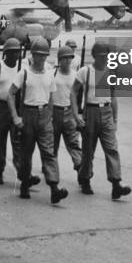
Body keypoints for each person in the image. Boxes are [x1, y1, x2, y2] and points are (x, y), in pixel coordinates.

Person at [8, 38, 68, 205]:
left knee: (49, 152)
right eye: (38, 55)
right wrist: (15, 117)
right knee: (26, 154)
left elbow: (51, 96)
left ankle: (54, 188)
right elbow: (10, 94)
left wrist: (49, 116)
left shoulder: (49, 74)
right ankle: (25, 184)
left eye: (44, 56)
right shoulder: (24, 73)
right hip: (27, 115)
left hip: (44, 117)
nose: (41, 59)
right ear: (32, 55)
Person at [71, 41, 131, 200]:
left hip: (106, 113)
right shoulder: (85, 71)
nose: (106, 59)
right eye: (103, 56)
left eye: (107, 56)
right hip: (90, 112)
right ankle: (85, 179)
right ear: (95, 56)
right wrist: (76, 114)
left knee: (112, 148)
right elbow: (73, 91)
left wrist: (115, 119)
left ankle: (116, 184)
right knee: (88, 150)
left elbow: (113, 97)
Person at [0, 37, 38, 186]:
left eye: (17, 52)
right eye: (12, 52)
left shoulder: (24, 67)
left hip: (17, 108)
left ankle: (23, 174)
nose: (16, 55)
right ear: (6, 53)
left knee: (19, 142)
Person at [52, 45, 82, 173]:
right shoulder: (52, 74)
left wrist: (79, 113)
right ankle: (51, 171)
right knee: (52, 145)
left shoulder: (76, 75)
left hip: (70, 112)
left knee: (74, 143)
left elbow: (79, 96)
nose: (67, 61)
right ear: (59, 59)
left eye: (70, 58)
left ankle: (81, 171)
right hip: (54, 111)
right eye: (64, 58)